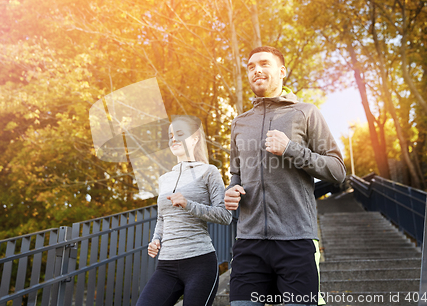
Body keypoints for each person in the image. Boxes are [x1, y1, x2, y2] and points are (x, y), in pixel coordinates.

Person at [224, 46, 346, 306]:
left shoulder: (306, 112)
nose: (256, 69)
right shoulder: (239, 123)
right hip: (249, 242)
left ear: (281, 72)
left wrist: (291, 149)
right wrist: (231, 192)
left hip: (295, 239)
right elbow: (236, 175)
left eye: (264, 64)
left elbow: (337, 170)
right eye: (251, 66)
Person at [136, 115, 232, 306]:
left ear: (195, 137)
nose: (173, 139)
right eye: (171, 135)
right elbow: (163, 218)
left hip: (199, 263)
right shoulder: (165, 179)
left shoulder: (209, 171)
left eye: (179, 133)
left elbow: (225, 215)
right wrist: (156, 239)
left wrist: (189, 204)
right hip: (166, 265)